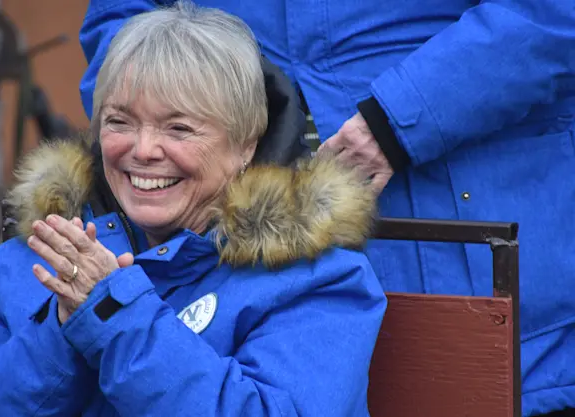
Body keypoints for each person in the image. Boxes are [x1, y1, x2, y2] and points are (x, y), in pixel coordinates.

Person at [78, 1, 575, 416]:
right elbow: (122, 19)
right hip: (219, 249)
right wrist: (168, 121)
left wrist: (400, 118)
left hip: (463, 213)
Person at [0, 4, 387, 416]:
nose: (143, 150)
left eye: (178, 128)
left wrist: (112, 315)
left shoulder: (316, 280)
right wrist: (58, 333)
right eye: (120, 122)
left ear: (246, 144)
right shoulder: (39, 258)